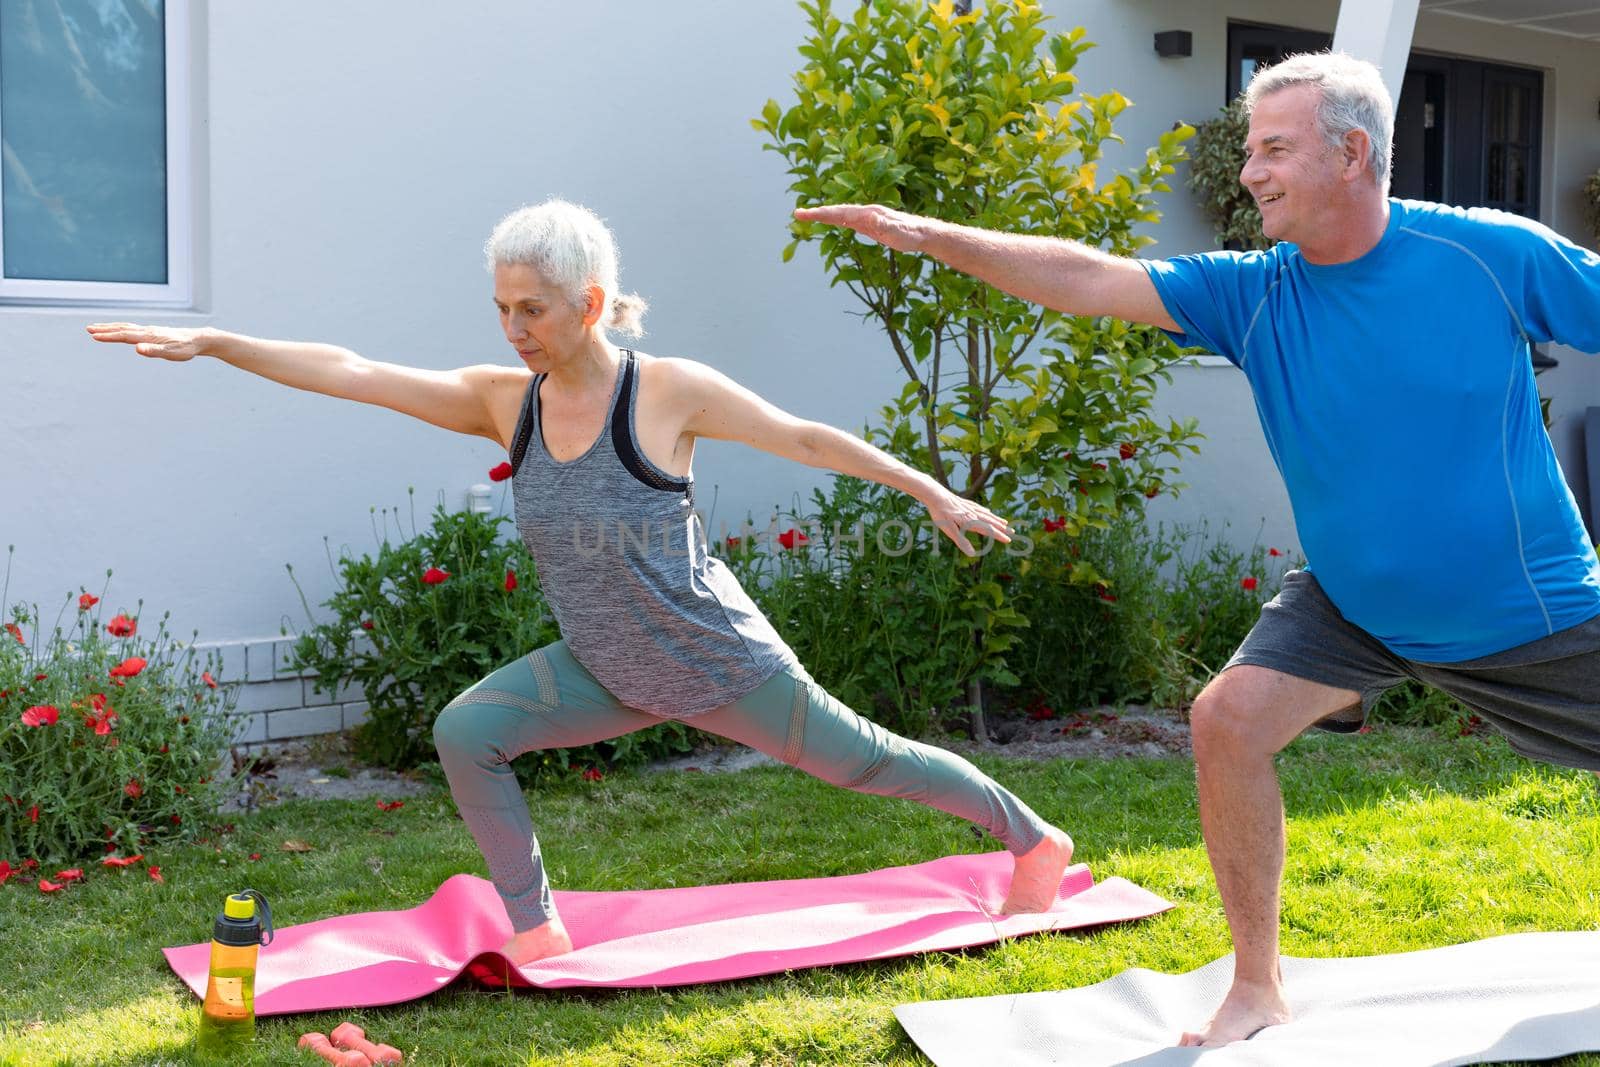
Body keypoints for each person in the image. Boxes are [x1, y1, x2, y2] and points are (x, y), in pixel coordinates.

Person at [798, 51, 1600, 1047]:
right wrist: (928, 235)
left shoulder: (1488, 256)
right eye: (1249, 150)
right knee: (1226, 719)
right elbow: (1089, 280)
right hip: (1354, 601)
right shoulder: (1251, 292)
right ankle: (1255, 983)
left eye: (1272, 148)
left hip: (1526, 613)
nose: (1249, 171)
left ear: (1351, 153)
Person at [86, 198, 1074, 967]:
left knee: (869, 760)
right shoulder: (499, 399)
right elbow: (352, 368)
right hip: (604, 665)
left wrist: (929, 490)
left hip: (714, 657)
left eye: (534, 308)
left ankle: (1034, 841)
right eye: (502, 307)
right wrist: (217, 342)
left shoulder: (666, 389)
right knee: (468, 730)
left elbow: (802, 434)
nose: (514, 327)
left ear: (589, 303)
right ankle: (538, 925)